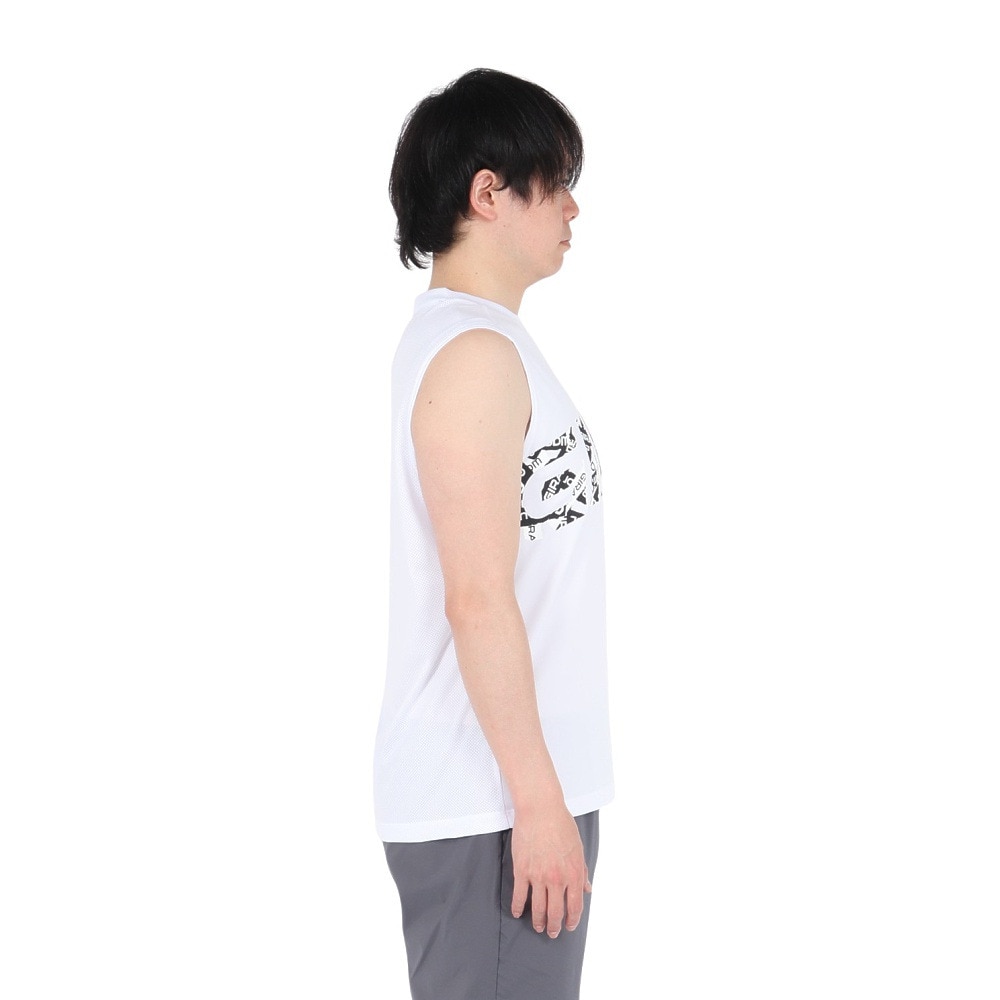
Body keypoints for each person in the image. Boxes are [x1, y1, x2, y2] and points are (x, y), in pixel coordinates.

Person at [374, 68, 614, 1000]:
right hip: (491, 801)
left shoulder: (487, 343)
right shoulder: (472, 354)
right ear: (488, 191)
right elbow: (476, 598)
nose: (573, 208)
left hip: (513, 792)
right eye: (556, 182)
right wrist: (537, 798)